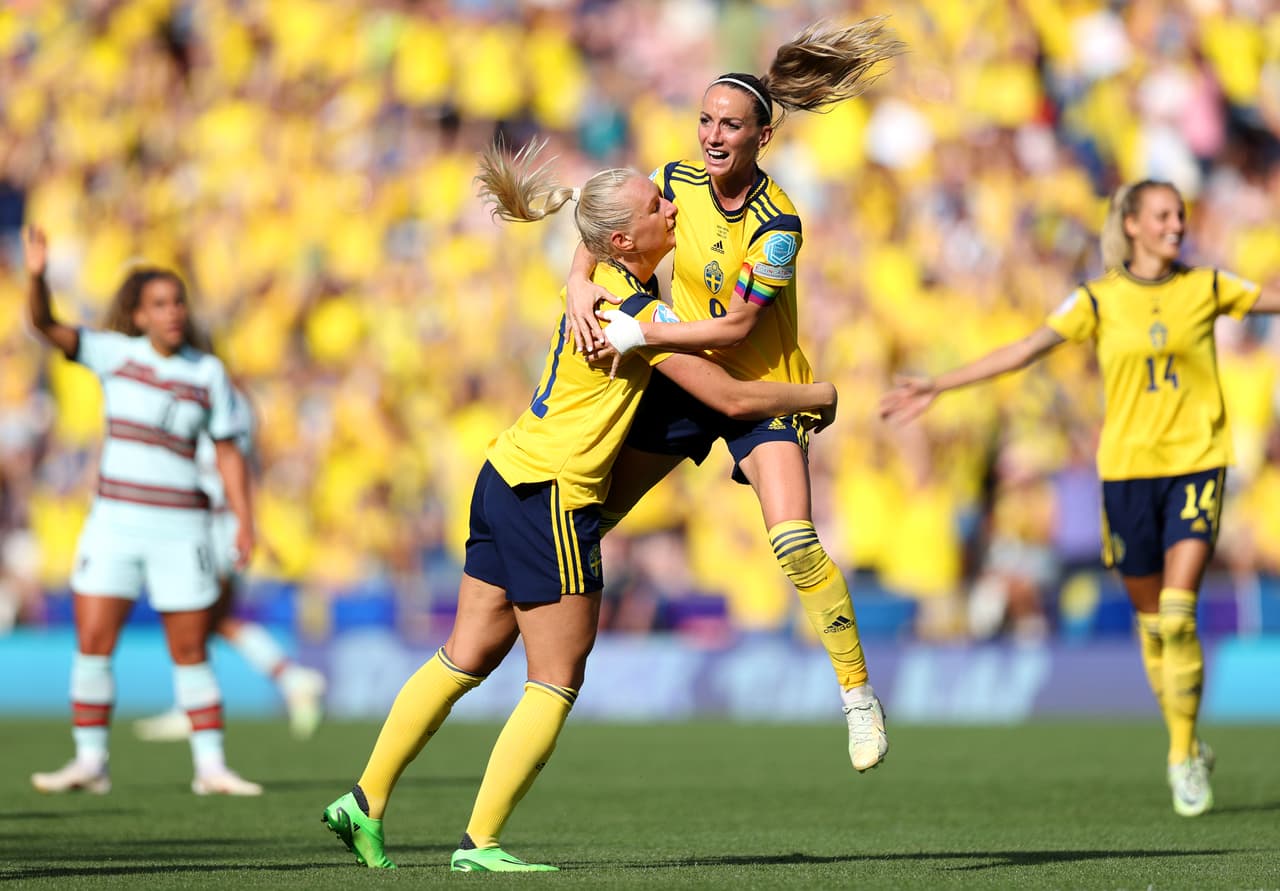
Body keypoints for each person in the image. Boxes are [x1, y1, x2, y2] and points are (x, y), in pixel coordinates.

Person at [321, 140, 841, 872]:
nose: (673, 207)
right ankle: (479, 842)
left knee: (464, 654)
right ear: (624, 240)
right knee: (557, 676)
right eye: (659, 206)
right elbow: (727, 397)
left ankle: (363, 799)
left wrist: (576, 269)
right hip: (557, 495)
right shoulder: (635, 314)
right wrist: (818, 396)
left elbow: (591, 253)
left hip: (503, 473)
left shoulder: (599, 278)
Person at [565, 18, 904, 772]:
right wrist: (575, 286)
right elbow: (603, 234)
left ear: (762, 137)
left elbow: (736, 327)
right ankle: (549, 662)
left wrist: (646, 335)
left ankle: (856, 695)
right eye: (706, 120)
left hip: (761, 387)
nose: (713, 135)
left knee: (793, 540)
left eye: (731, 125)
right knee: (588, 515)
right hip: (686, 379)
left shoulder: (777, 224)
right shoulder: (674, 183)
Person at [879, 179, 1280, 817]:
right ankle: (1189, 739)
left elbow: (1271, 301)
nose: (1177, 225)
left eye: (1180, 215)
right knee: (1154, 628)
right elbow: (1024, 351)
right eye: (1163, 216)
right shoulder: (1099, 301)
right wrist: (941, 385)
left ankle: (1181, 755)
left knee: (1178, 614)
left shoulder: (1207, 286)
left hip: (1197, 465)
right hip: (1125, 475)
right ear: (1132, 227)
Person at [24, 226, 262, 797]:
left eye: (178, 301)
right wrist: (35, 277)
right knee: (94, 641)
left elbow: (229, 454)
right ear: (136, 315)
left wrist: (245, 521)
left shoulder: (207, 373)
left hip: (182, 528)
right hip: (114, 524)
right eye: (159, 304)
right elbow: (44, 325)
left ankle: (211, 768)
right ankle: (90, 762)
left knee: (189, 647)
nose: (173, 312)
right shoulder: (114, 354)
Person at [132, 386, 327, 743]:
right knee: (213, 621)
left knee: (193, 617)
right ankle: (291, 680)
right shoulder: (232, 415)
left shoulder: (209, 416)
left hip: (211, 529)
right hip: (221, 526)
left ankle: (194, 706)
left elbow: (230, 468)